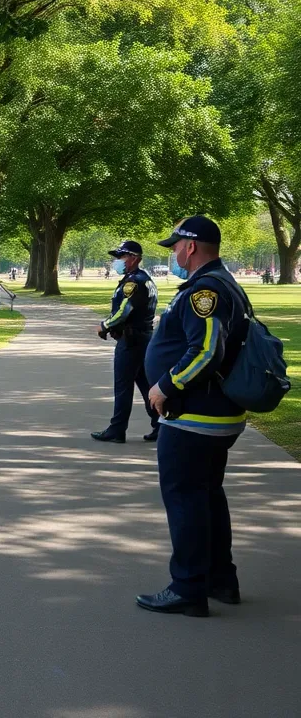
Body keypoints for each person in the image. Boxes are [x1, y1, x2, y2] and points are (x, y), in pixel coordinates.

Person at [137, 216, 248, 617]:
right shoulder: (219, 283)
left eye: (175, 246)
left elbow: (206, 351)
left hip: (195, 416)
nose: (172, 253)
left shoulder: (206, 290)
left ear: (191, 246)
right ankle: (220, 579)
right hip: (211, 415)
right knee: (207, 496)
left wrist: (164, 386)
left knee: (185, 498)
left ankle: (187, 587)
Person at [91, 240, 161, 444]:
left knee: (123, 386)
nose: (118, 261)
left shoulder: (134, 282)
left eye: (122, 257)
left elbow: (124, 310)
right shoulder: (144, 279)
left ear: (134, 258)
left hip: (131, 340)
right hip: (141, 338)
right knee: (146, 384)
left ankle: (117, 429)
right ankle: (159, 424)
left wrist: (104, 325)